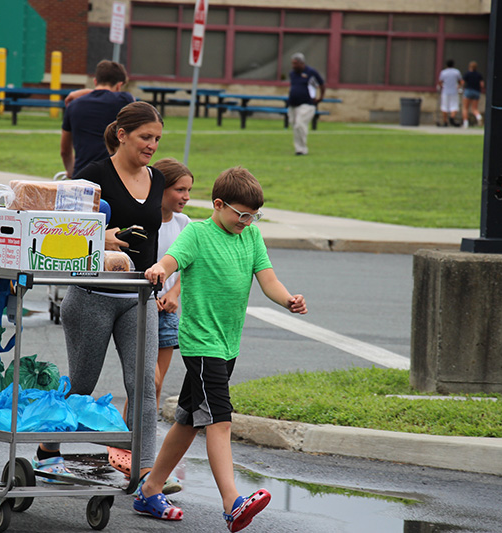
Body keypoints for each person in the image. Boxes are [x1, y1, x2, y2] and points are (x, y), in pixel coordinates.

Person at [137, 166, 307, 531]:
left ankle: (149, 489)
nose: (246, 221)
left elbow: (269, 280)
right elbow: (172, 260)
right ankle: (232, 502)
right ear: (218, 204)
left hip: (229, 343)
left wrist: (287, 300)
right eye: (241, 214)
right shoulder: (198, 233)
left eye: (253, 216)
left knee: (187, 419)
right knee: (220, 419)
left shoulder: (251, 236)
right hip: (202, 343)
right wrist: (159, 270)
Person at [34, 101, 166, 487]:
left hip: (139, 295)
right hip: (92, 293)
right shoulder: (93, 176)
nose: (151, 145)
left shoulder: (156, 179)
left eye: (157, 138)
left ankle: (144, 472)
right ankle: (47, 449)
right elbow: (54, 231)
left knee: (143, 383)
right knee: (82, 384)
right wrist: (101, 236)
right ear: (121, 135)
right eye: (145, 137)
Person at [148, 158, 193, 409]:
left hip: (168, 313)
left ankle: (139, 443)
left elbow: (188, 267)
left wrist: (174, 293)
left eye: (188, 190)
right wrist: (146, 298)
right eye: (180, 190)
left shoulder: (184, 224)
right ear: (160, 189)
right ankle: (125, 441)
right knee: (147, 382)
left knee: (156, 386)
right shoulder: (144, 221)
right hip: (141, 309)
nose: (186, 196)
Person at [60, 60, 135, 178]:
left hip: (82, 175)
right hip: (114, 176)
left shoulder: (74, 106)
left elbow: (65, 151)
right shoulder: (124, 100)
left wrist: (72, 172)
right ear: (119, 85)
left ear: (95, 81)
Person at [287, 52, 325, 156]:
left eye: (295, 63)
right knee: (295, 126)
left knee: (300, 124)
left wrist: (320, 97)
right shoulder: (292, 73)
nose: (293, 66)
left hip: (307, 104)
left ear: (301, 63)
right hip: (293, 105)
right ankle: (298, 148)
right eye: (292, 63)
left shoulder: (311, 72)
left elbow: (321, 84)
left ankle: (302, 149)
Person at [438, 59, 463, 127]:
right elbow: (461, 81)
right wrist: (458, 86)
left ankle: (445, 121)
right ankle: (452, 117)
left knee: (444, 106)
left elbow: (440, 81)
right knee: (454, 105)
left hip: (445, 91)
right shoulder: (456, 72)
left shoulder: (443, 72)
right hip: (454, 91)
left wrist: (442, 86)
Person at [461, 61, 484, 128]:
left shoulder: (467, 74)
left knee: (465, 107)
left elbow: (462, 82)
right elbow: (482, 85)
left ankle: (465, 123)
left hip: (468, 90)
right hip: (476, 91)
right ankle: (479, 117)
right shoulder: (479, 75)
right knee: (474, 108)